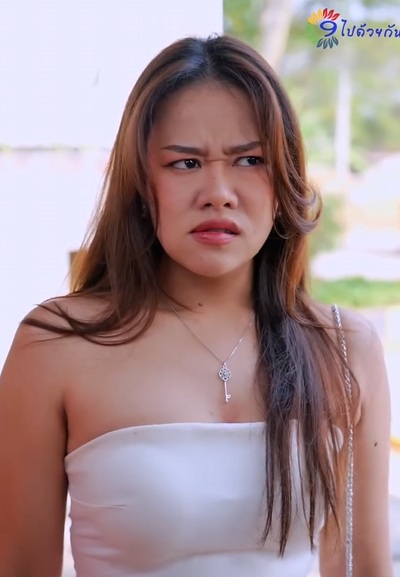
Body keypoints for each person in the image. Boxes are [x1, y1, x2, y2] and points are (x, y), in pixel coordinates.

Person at [0, 34, 393, 577]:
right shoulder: (56, 345)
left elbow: (366, 568)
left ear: (284, 180)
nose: (218, 192)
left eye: (250, 159)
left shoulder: (346, 349)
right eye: (185, 163)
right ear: (142, 185)